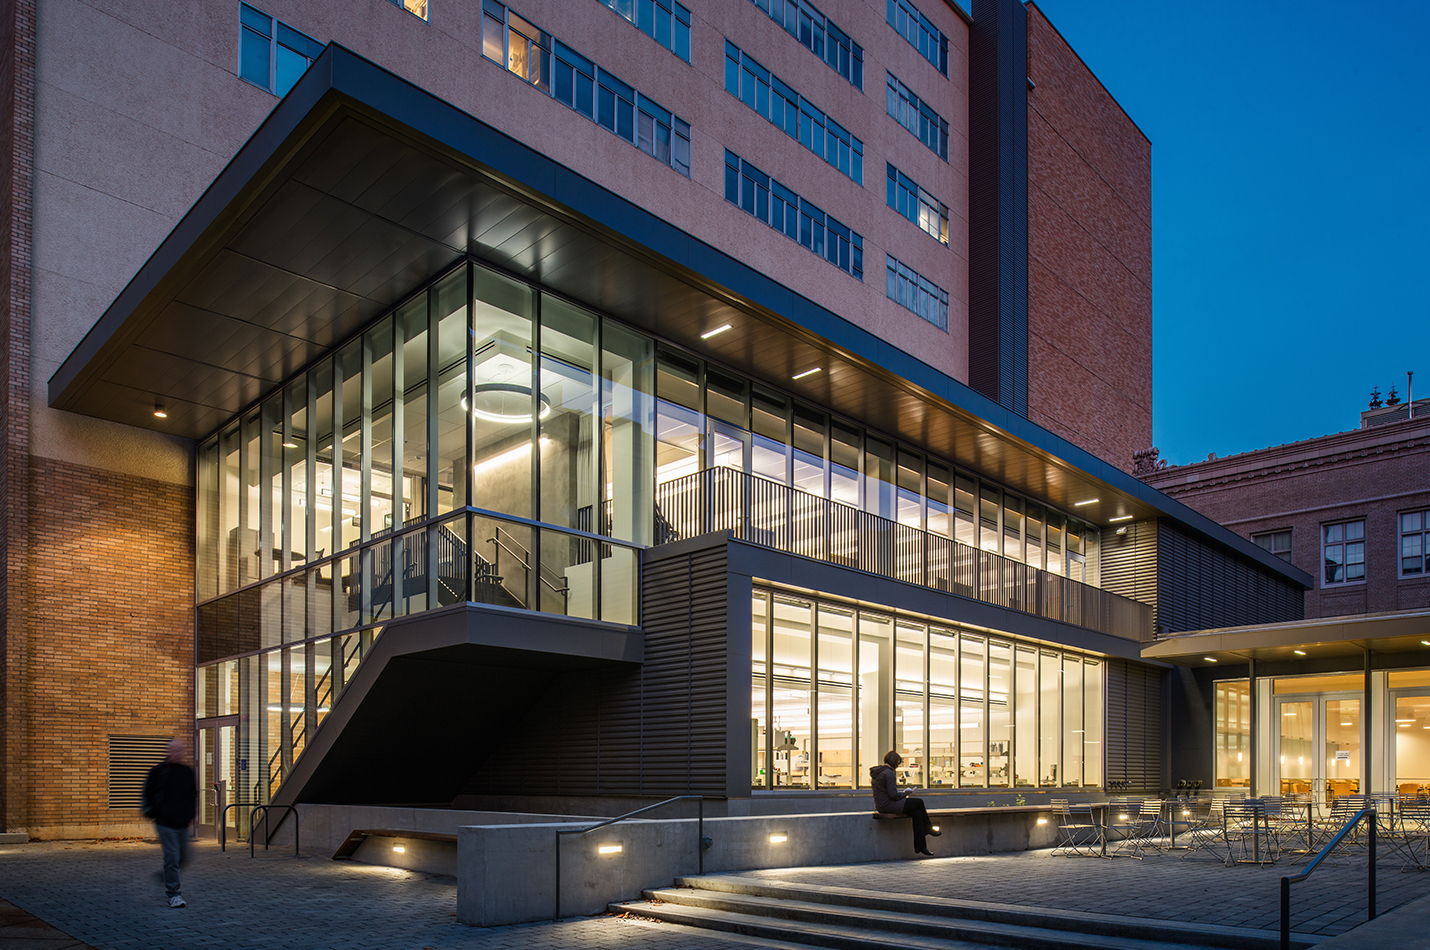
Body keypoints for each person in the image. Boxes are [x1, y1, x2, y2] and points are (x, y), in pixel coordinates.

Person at [142, 737, 197, 908]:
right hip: (165, 823)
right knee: (172, 856)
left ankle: (165, 875)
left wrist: (190, 817)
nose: (176, 753)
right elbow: (148, 793)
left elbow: (192, 795)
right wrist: (156, 813)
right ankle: (174, 894)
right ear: (168, 752)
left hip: (182, 823)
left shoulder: (186, 772)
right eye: (173, 750)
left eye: (179, 750)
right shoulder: (158, 771)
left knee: (183, 857)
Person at [870, 750, 940, 855]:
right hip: (888, 805)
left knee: (917, 814)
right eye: (898, 763)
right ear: (894, 762)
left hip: (882, 805)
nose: (898, 765)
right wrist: (906, 793)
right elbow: (893, 795)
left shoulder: (880, 772)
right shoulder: (889, 773)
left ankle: (921, 847)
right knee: (919, 802)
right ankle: (928, 829)